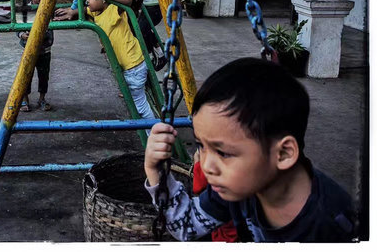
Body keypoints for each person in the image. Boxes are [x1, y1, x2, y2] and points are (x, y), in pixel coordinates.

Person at [144, 58, 356, 242]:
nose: (206, 166)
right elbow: (187, 226)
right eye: (201, 145)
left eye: (223, 153)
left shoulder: (335, 224)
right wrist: (156, 171)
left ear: (283, 154)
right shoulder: (234, 188)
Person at [85, 0, 154, 131]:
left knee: (140, 107)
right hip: (128, 67)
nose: (88, 0)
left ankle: (155, 135)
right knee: (137, 102)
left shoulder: (114, 9)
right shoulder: (97, 12)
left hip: (133, 66)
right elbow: (85, 9)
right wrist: (71, 12)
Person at [17, 0, 53, 112]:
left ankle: (42, 99)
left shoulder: (49, 7)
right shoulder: (25, 9)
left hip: (45, 50)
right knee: (26, 75)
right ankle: (25, 100)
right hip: (28, 49)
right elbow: (18, 27)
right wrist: (22, 35)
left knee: (44, 76)